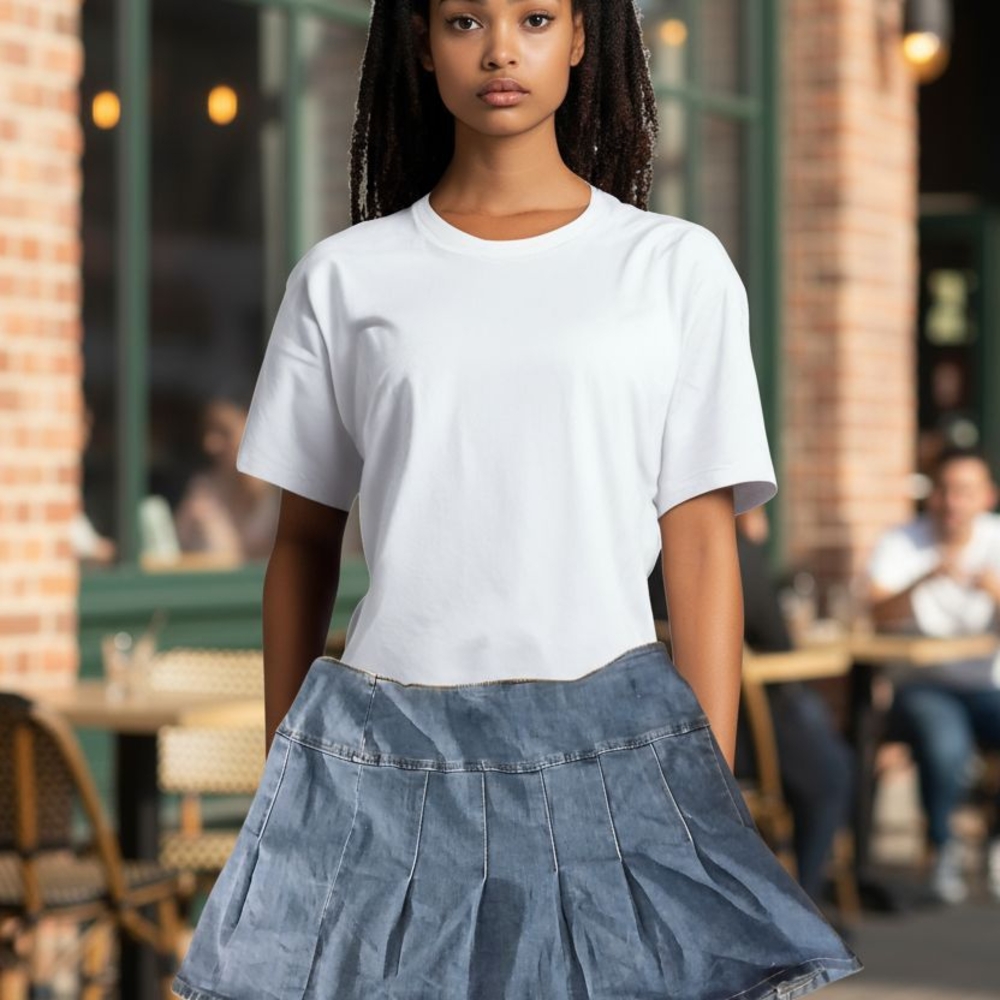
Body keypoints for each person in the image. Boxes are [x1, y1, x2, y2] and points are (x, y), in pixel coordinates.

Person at [171, 3, 862, 998]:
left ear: (582, 38)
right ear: (421, 44)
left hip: (615, 757)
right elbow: (302, 546)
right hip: (382, 751)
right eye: (463, 19)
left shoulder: (673, 268)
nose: (500, 47)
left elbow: (702, 548)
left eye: (535, 17)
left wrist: (697, 796)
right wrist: (297, 777)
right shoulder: (346, 278)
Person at [649, 506, 855, 910]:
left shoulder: (644, 556)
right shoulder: (731, 554)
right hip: (740, 736)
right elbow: (780, 646)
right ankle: (806, 900)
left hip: (659, 726)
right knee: (833, 772)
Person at [867, 444, 1000, 904]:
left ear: (986, 496)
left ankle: (994, 844)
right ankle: (943, 849)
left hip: (987, 684)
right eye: (944, 490)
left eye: (964, 491)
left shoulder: (995, 541)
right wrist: (923, 580)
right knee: (946, 742)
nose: (952, 502)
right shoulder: (905, 541)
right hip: (922, 683)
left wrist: (995, 591)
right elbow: (876, 613)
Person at [173, 392, 280, 563]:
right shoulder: (204, 489)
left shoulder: (285, 493)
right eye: (208, 431)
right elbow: (173, 552)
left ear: (256, 425)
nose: (210, 444)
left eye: (224, 432)